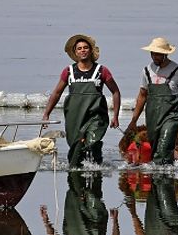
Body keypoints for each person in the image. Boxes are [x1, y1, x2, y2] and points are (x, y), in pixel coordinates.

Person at [42, 34, 121, 167]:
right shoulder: (69, 71)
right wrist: (46, 114)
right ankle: (78, 170)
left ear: (90, 51)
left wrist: (115, 116)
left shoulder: (102, 71)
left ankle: (96, 169)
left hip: (96, 117)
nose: (83, 50)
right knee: (75, 148)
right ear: (75, 52)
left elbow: (115, 92)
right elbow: (56, 93)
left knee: (92, 142)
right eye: (79, 48)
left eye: (85, 48)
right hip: (75, 117)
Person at [126, 37, 178, 165]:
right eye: (153, 53)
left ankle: (163, 176)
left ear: (166, 54)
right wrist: (133, 121)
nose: (155, 56)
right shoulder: (147, 71)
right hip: (153, 116)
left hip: (172, 115)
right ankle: (162, 177)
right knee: (155, 149)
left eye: (158, 54)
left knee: (164, 145)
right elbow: (142, 96)